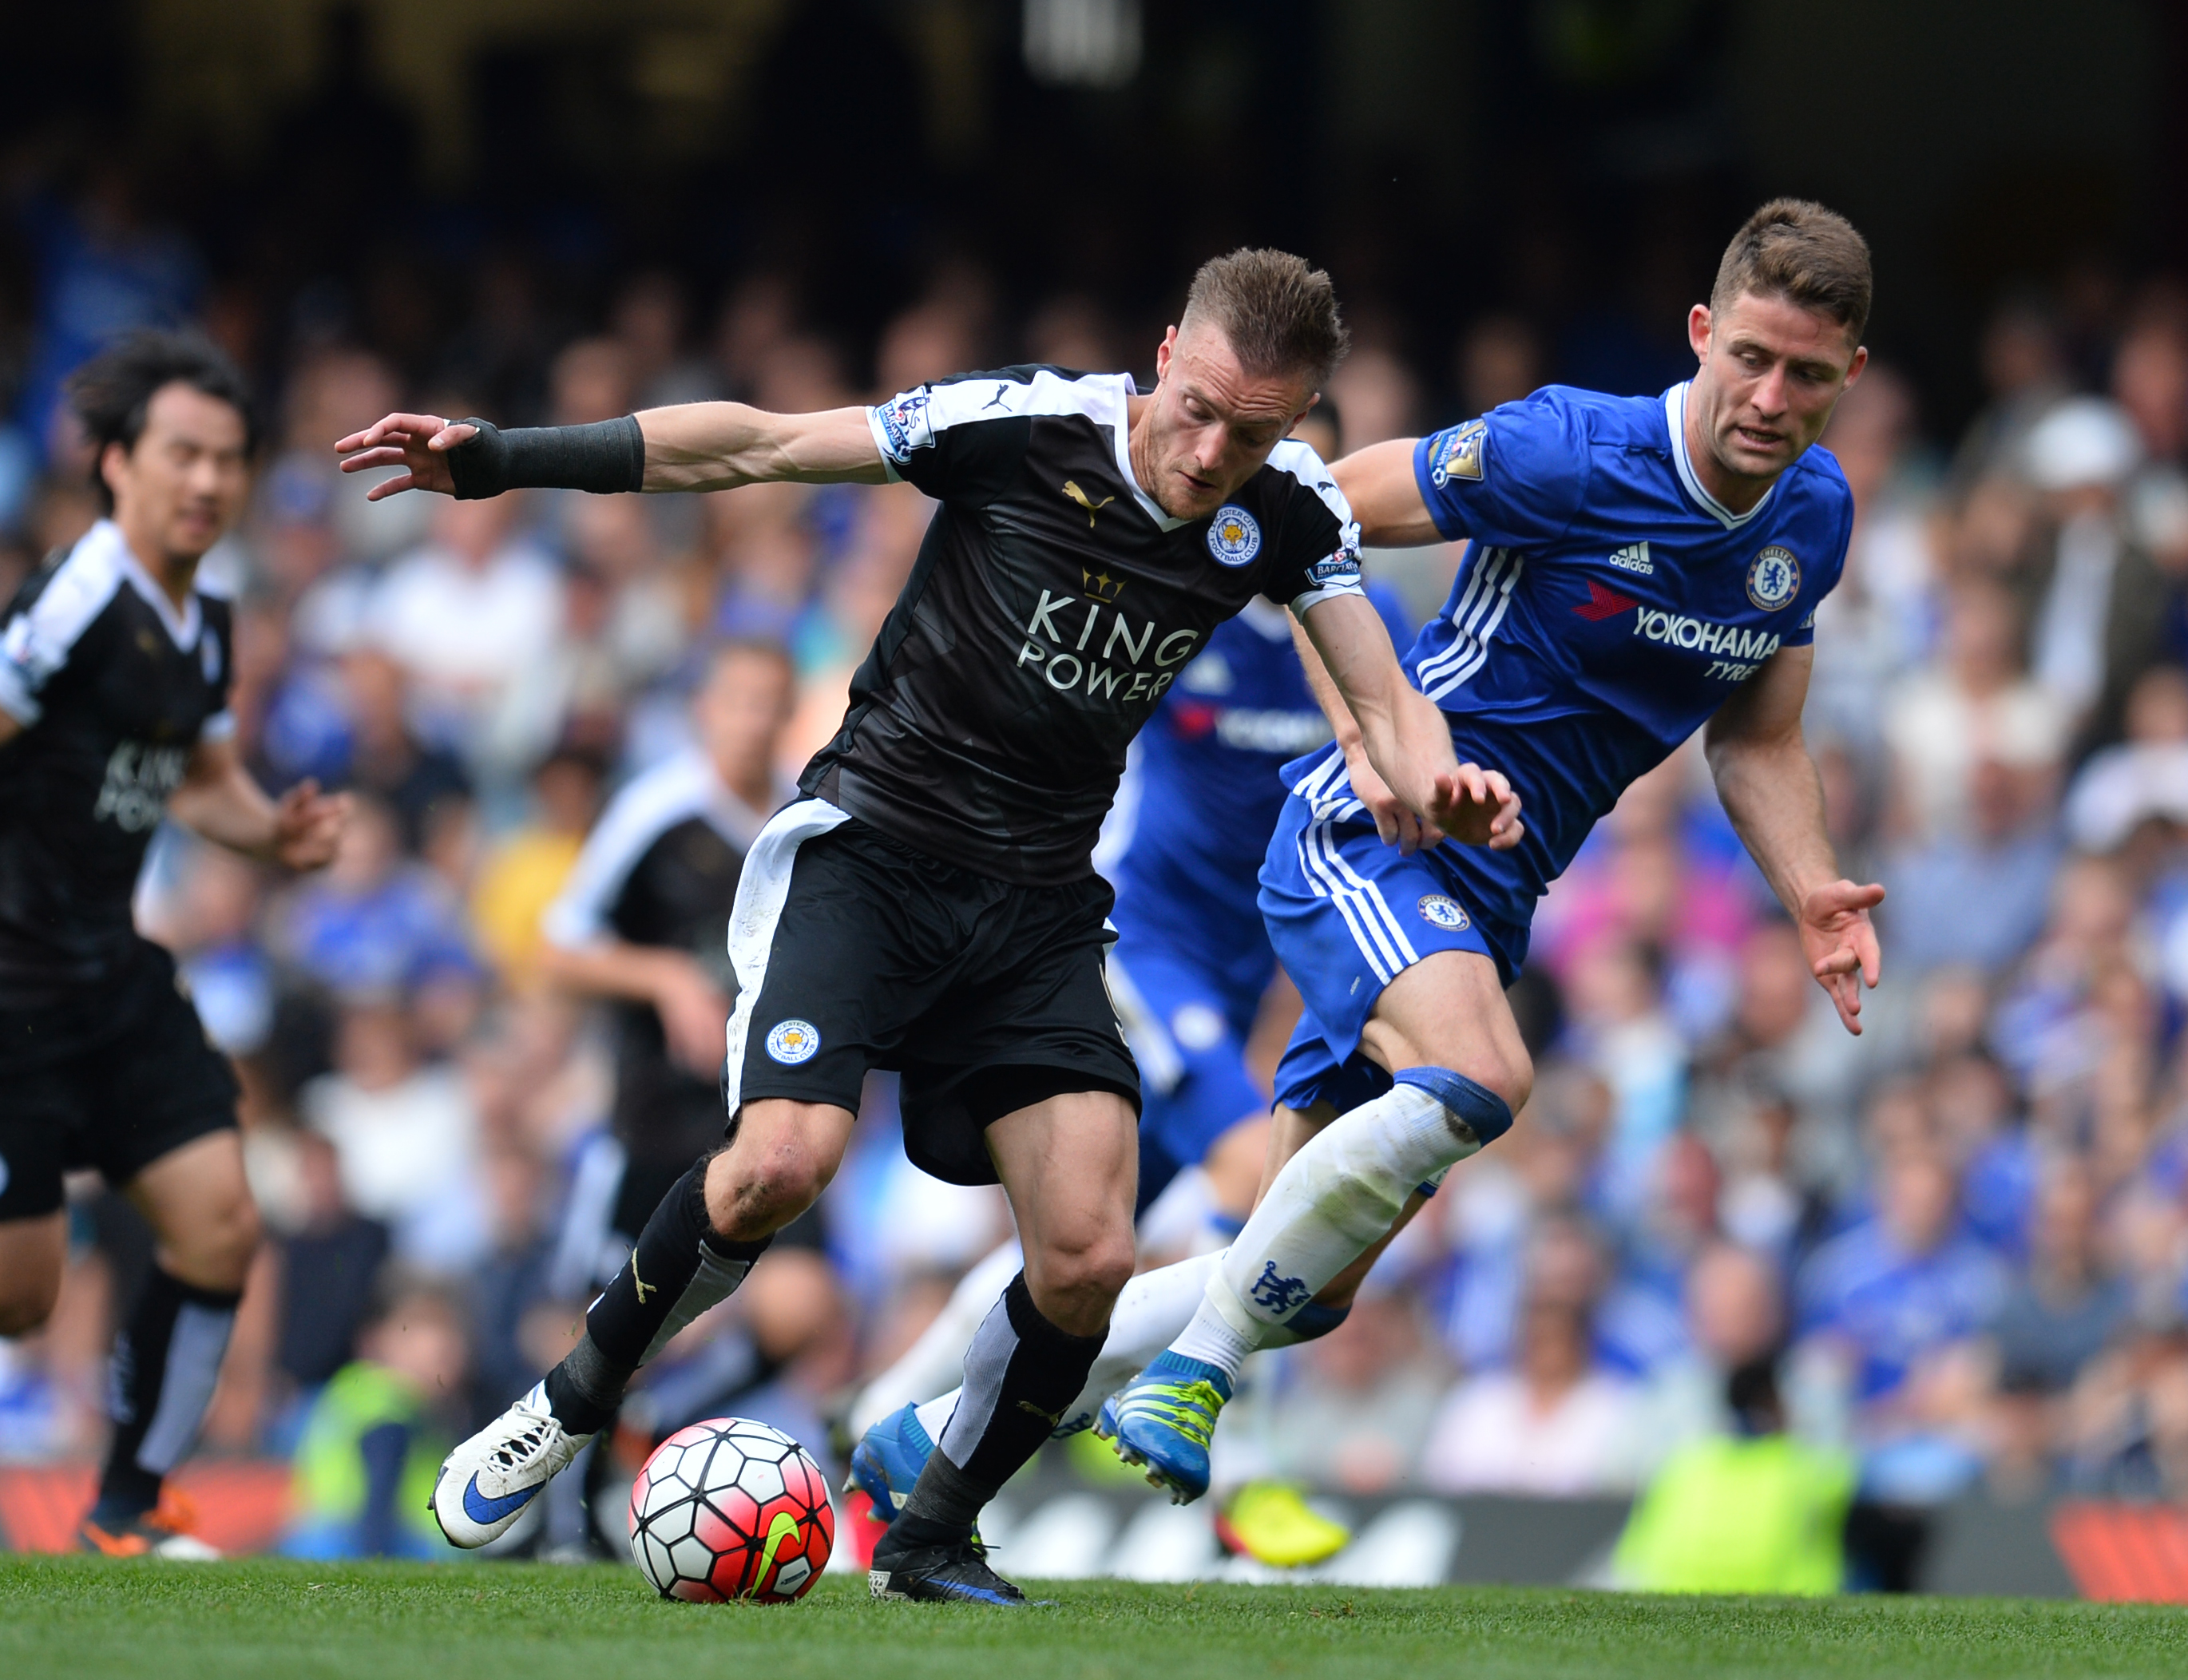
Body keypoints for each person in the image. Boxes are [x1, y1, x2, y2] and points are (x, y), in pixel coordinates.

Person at [337, 248, 1518, 1605]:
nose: (1210, 454)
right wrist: (504, 460)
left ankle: (931, 1534)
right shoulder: (1022, 425)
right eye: (1196, 407)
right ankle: (569, 1403)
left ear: (1299, 413)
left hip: (1036, 908)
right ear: (1165, 352)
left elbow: (1384, 696)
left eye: (1252, 431)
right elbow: (760, 448)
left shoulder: (1291, 510)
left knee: (1088, 1257)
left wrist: (1437, 783)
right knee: (777, 1166)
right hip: (873, 856)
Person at [1098, 199, 1888, 1504]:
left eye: (1808, 373)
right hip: (1378, 836)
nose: (1769, 394)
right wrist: (1368, 730)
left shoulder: (1813, 520)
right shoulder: (1571, 449)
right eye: (1750, 355)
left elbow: (1757, 742)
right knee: (1484, 1070)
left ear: (1849, 377)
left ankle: (953, 1413)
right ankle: (1193, 1375)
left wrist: (1809, 892)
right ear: (1701, 333)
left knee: (1304, 1268)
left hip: (1493, 893)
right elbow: (1311, 504)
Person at [843, 402, 1416, 1571]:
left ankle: (880, 1422)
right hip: (1137, 945)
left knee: (1080, 1250)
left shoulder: (1365, 628)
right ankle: (1240, 1478)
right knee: (1254, 1195)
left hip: (1267, 960)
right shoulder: (1170, 589)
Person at [0, 331, 349, 1555]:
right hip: (10, 988)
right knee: (22, 1298)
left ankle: (127, 1512)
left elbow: (197, 781)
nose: (207, 481)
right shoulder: (76, 601)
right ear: (116, 464)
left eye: (229, 459)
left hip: (112, 972)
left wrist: (273, 834)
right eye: (181, 455)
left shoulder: (203, 618)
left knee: (220, 1224)